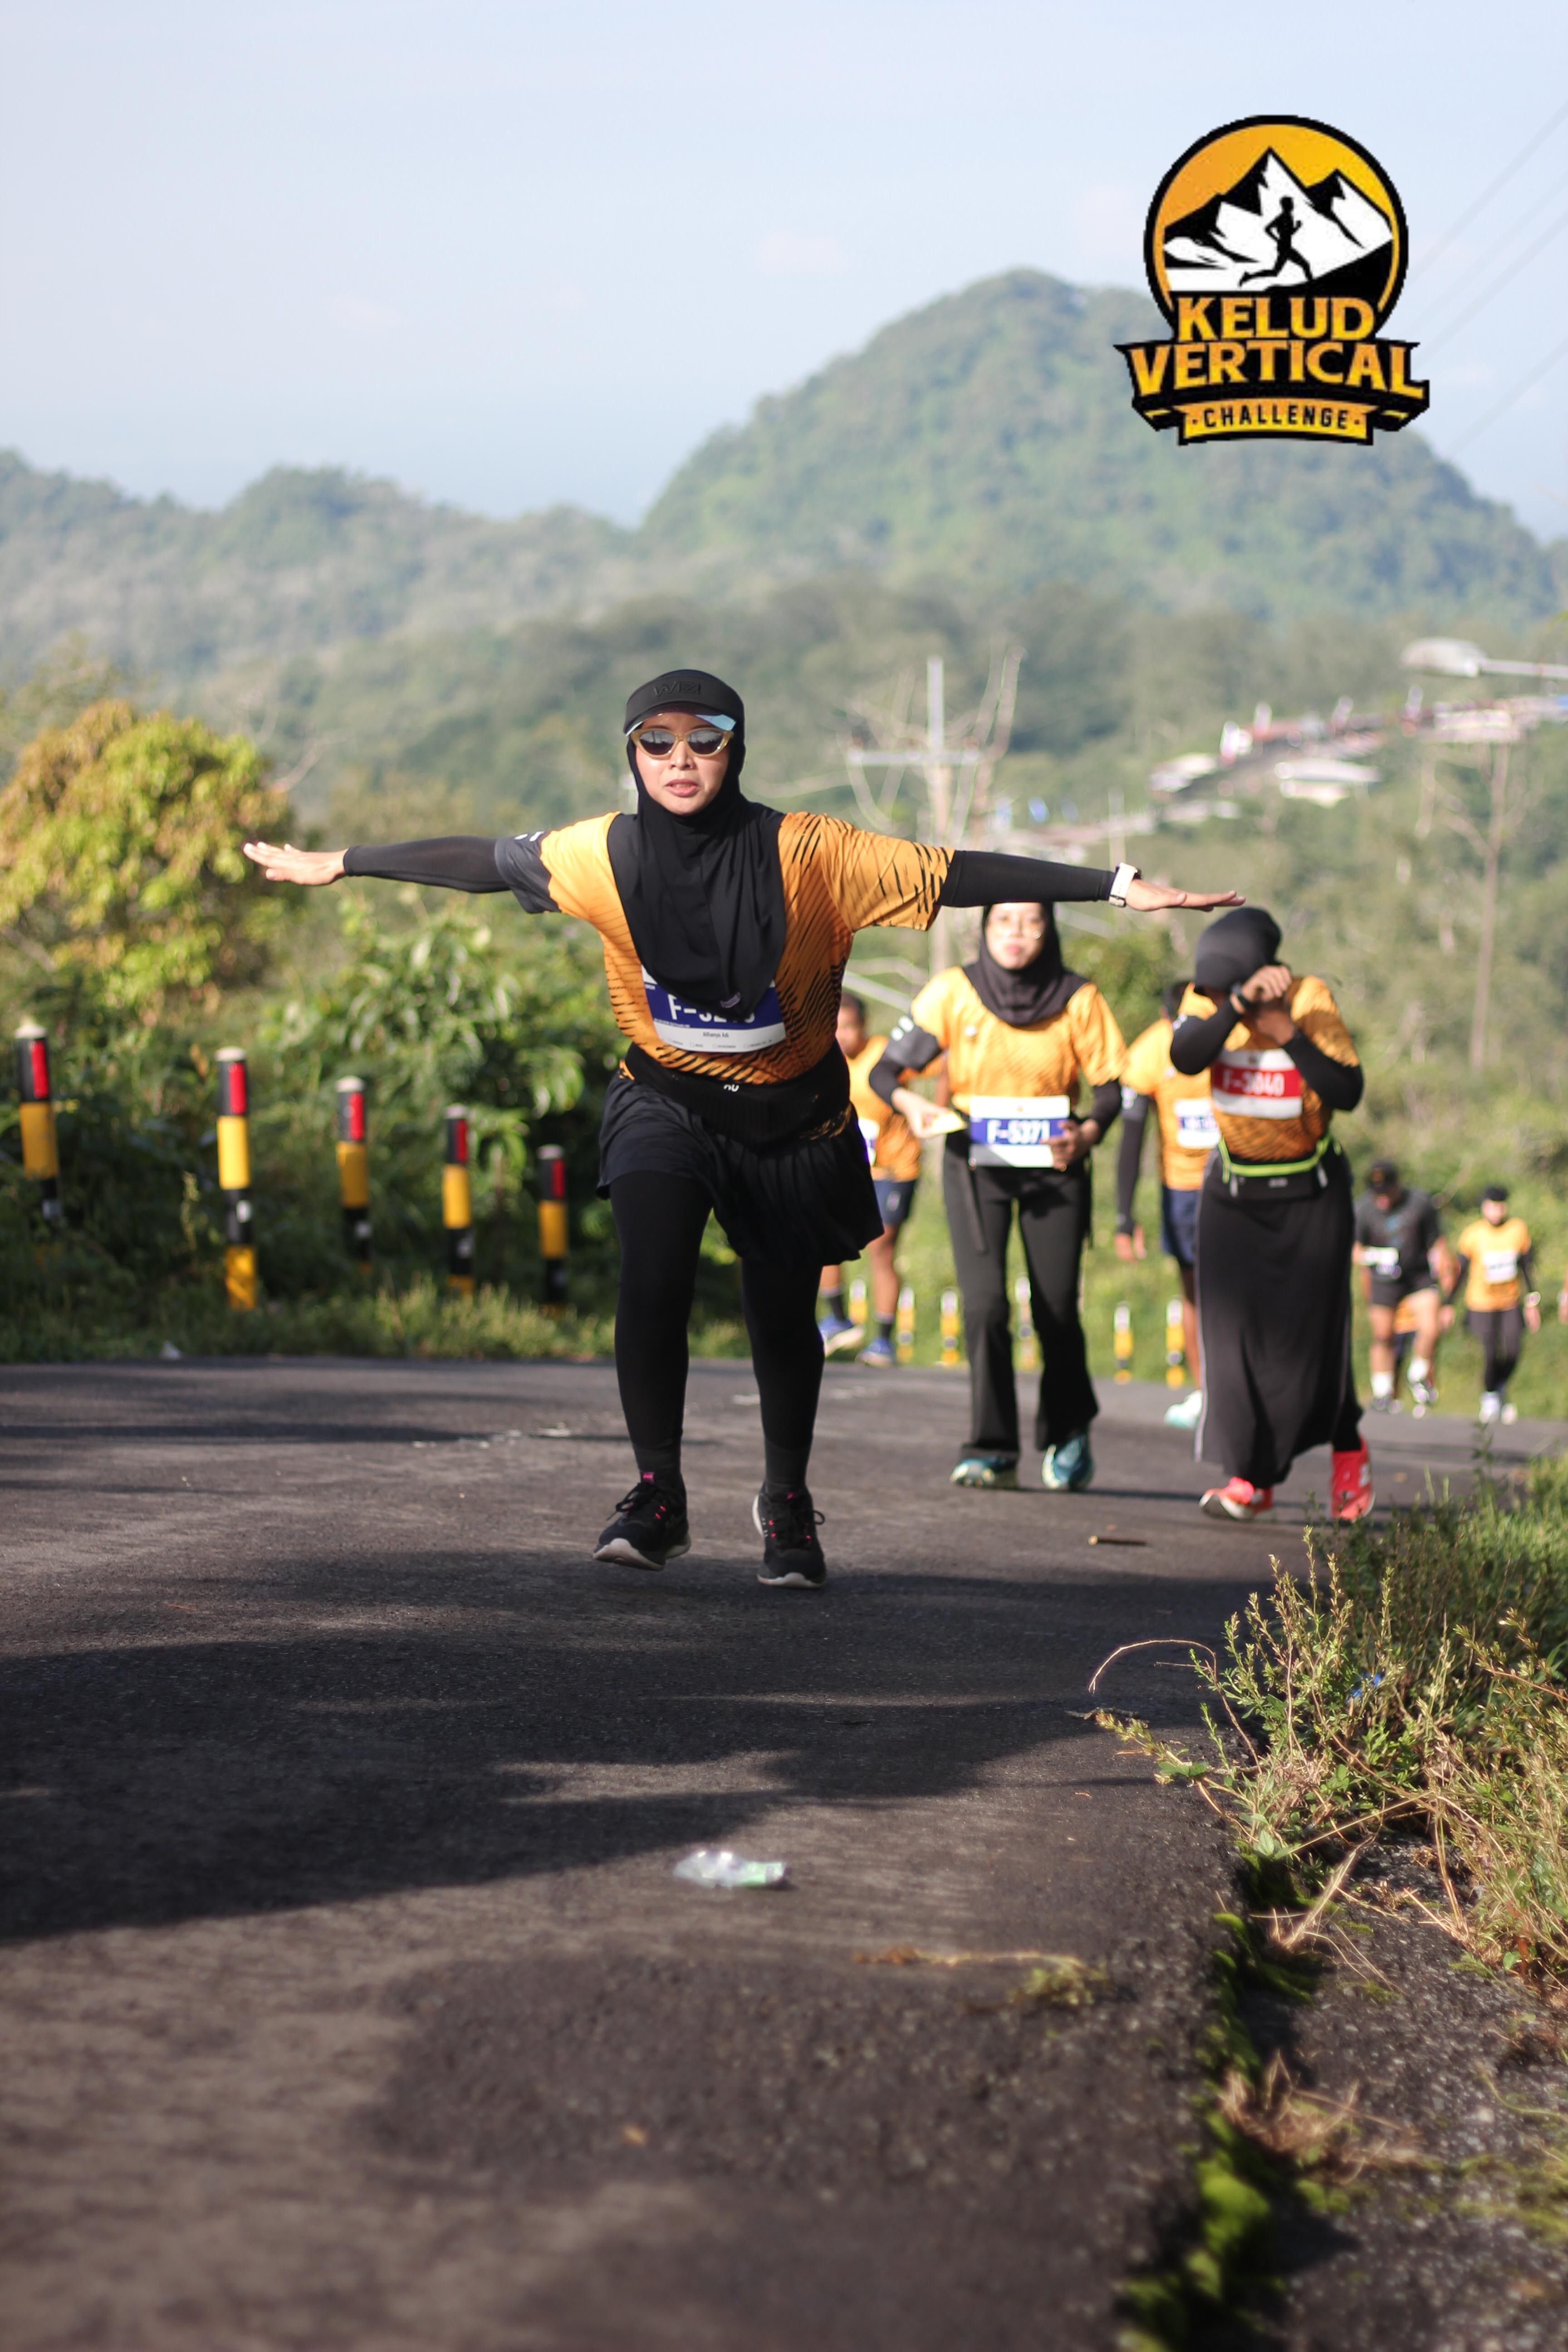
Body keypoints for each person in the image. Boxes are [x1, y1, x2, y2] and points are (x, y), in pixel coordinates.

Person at [244, 667, 1240, 1588]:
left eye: (704, 740)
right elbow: (485, 860)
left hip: (792, 1118)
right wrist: (346, 862)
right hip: (666, 1097)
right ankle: (658, 1492)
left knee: (780, 1315)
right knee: (653, 1274)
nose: (680, 760)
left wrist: (1113, 884)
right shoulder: (602, 854)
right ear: (633, 755)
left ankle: (787, 1498)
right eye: (657, 741)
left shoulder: (816, 855)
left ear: (737, 750)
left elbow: (955, 872)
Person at [868, 900, 1126, 1493]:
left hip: (1055, 1163)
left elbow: (1113, 1089)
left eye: (1031, 922)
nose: (1016, 933)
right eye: (1003, 921)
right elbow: (886, 1073)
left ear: (1049, 930)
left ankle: (1068, 1431)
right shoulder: (953, 991)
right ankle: (992, 1448)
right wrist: (913, 1105)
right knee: (985, 1307)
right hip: (975, 1163)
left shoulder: (1078, 997)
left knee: (1056, 1307)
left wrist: (1086, 1135)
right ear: (984, 929)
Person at [1168, 908, 1370, 1523]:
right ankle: (1249, 1478)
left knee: (1313, 1340)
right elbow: (1186, 1056)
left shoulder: (1309, 999)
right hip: (1233, 1197)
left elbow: (1347, 1091)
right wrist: (1234, 1006)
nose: (1209, 997)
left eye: (1224, 986)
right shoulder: (1208, 1001)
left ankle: (1349, 1454)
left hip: (1310, 1196)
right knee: (1232, 1342)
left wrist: (1286, 1032)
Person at [1115, 980, 1217, 1431]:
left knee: (1232, 1290)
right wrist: (1124, 1217)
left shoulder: (1231, 1036)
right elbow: (1132, 1137)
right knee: (1197, 1291)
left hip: (1236, 1182)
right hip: (1185, 1188)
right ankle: (1208, 1393)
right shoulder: (1151, 1051)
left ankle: (1241, 1390)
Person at [818, 991, 923, 1367]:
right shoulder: (822, 1059)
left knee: (881, 1248)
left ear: (864, 1026)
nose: (842, 1035)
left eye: (849, 1027)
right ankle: (837, 1320)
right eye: (835, 1028)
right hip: (844, 1167)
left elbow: (939, 1064)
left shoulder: (886, 1056)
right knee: (825, 1238)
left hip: (893, 1169)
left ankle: (882, 1341)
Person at [1353, 1159, 1450, 1412]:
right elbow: (1355, 1250)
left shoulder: (1419, 1203)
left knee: (1431, 1327)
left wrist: (1444, 1271)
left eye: (1387, 1192)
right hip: (1384, 1280)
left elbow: (1436, 1242)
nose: (1383, 1199)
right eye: (1378, 1194)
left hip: (1417, 1276)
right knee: (1383, 1335)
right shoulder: (1363, 1209)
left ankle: (1418, 1373)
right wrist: (1373, 1256)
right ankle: (1382, 1391)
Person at [1455, 1186, 1539, 1425]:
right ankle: (1490, 1396)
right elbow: (1461, 1272)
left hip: (1510, 1301)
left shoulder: (1517, 1230)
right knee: (1491, 1352)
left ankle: (1500, 1387)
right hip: (1481, 1303)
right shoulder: (1473, 1234)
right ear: (1484, 1208)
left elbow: (1527, 1267)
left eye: (1501, 1206)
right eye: (1492, 1206)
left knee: (1513, 1349)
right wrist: (1448, 1304)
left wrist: (1533, 1300)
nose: (1496, 1211)